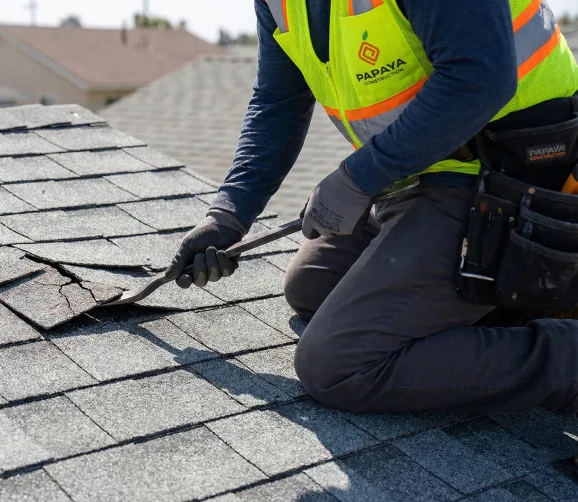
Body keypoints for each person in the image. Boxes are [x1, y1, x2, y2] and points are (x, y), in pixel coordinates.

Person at [166, 0, 578, 415]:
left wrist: (357, 178)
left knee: (340, 365)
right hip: (422, 173)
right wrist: (228, 215)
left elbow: (481, 75)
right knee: (312, 286)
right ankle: (505, 307)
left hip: (514, 177)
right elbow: (278, 101)